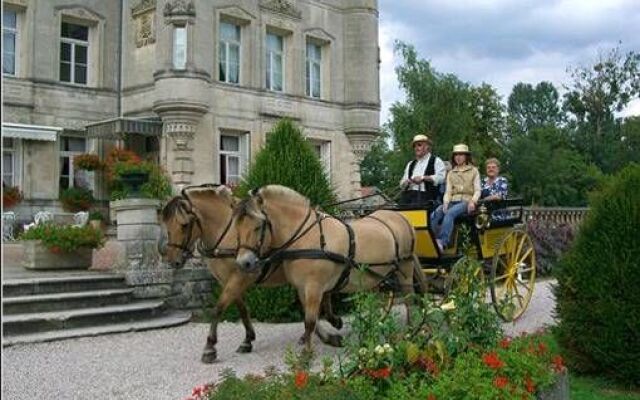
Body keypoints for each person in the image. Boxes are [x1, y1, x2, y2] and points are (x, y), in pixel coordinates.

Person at [431, 144, 481, 252]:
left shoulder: (474, 171)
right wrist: (445, 202)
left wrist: (473, 201)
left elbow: (477, 190)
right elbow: (448, 191)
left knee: (450, 213)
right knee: (437, 212)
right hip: (453, 200)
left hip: (466, 201)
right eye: (456, 155)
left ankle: (442, 242)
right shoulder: (451, 173)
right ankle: (430, 240)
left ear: (466, 156)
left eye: (461, 155)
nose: (458, 157)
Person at [399, 134, 446, 206]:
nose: (416, 148)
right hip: (408, 196)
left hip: (426, 197)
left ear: (427, 147)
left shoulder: (436, 161)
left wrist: (423, 178)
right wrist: (406, 182)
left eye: (419, 145)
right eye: (415, 146)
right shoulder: (410, 164)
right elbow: (402, 183)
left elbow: (441, 178)